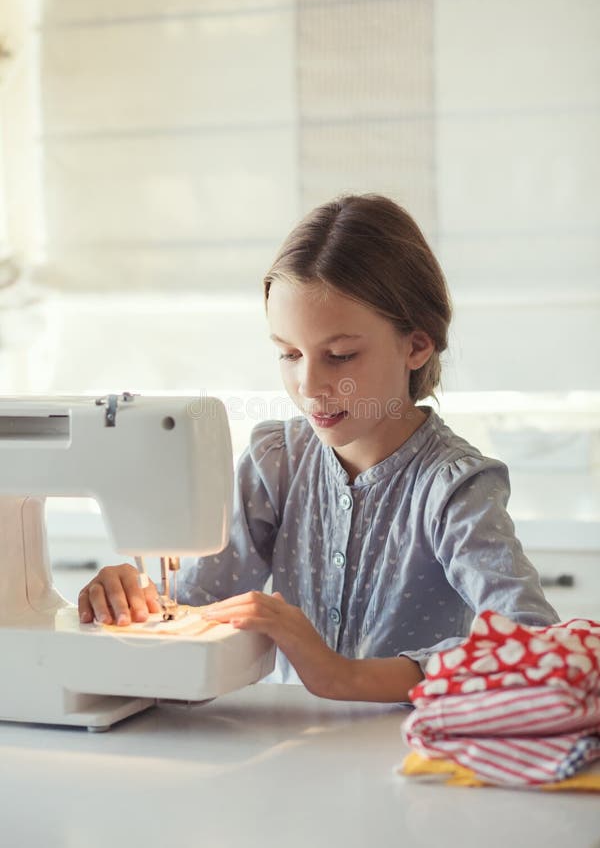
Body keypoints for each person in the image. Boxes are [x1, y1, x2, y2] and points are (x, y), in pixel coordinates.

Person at [78, 194, 559, 703]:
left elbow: (536, 648)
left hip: (407, 754)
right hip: (294, 751)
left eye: (340, 355)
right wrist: (135, 601)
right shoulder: (275, 462)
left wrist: (342, 676)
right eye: (288, 353)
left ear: (416, 346)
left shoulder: (452, 489)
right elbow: (196, 606)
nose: (309, 385)